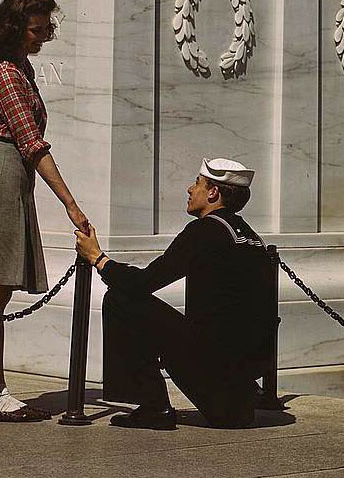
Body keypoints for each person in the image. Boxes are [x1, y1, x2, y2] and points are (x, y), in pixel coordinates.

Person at [0, 0, 90, 422]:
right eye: (37, 29)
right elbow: (32, 145)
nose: (44, 36)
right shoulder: (9, 74)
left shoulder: (19, 68)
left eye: (48, 28)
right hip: (4, 175)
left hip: (12, 178)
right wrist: (71, 204)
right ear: (15, 28)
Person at [75, 158, 275, 430]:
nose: (189, 190)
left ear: (213, 193)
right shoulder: (251, 237)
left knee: (120, 299)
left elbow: (143, 283)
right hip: (241, 395)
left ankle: (152, 406)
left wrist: (98, 258)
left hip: (218, 387)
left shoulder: (206, 231)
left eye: (197, 184)